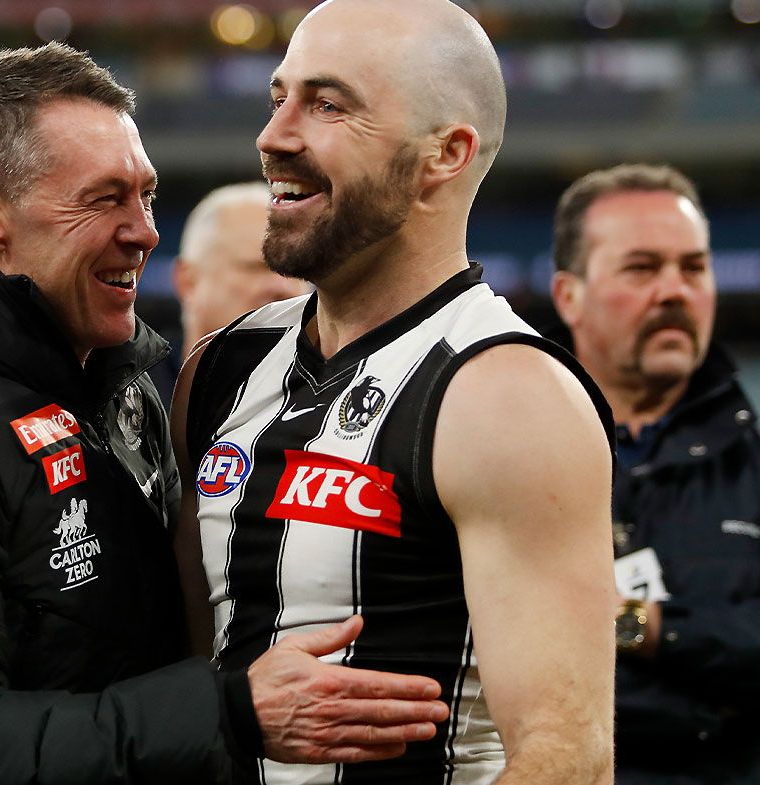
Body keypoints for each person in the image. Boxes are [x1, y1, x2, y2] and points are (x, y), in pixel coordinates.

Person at [0, 43, 449, 785]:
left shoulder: (112, 387)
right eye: (104, 198)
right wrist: (231, 712)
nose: (145, 230)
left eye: (147, 194)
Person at [171, 1, 618, 782]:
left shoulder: (506, 394)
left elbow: (568, 757)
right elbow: (175, 668)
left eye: (328, 104)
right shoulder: (221, 367)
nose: (274, 135)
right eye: (279, 96)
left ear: (444, 154)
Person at [548, 163, 760, 784]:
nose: (675, 290)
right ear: (569, 295)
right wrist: (742, 680)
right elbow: (485, 678)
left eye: (695, 267)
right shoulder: (512, 456)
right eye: (642, 268)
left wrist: (640, 627)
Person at [174, 182, 312, 357]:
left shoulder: (346, 380)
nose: (283, 287)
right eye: (256, 268)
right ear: (189, 282)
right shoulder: (135, 380)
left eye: (296, 271)